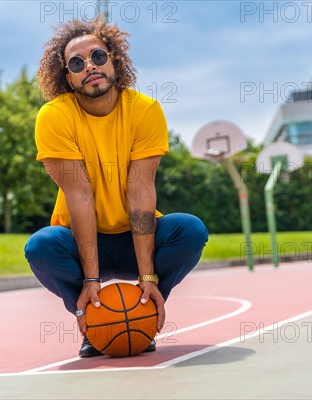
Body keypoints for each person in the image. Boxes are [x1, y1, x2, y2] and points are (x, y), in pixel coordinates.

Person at [25, 18, 208, 358]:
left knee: (190, 230)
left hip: (134, 239)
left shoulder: (145, 111)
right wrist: (92, 281)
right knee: (41, 247)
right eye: (77, 63)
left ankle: (143, 308)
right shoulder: (54, 116)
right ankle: (92, 317)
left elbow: (140, 194)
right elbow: (79, 197)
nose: (89, 66)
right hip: (80, 240)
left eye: (97, 56)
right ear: (68, 77)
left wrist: (149, 277)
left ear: (114, 59)